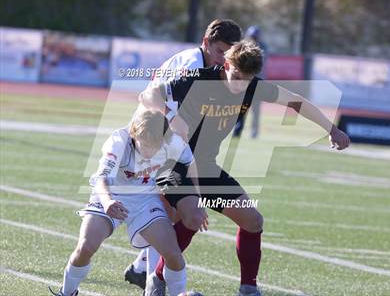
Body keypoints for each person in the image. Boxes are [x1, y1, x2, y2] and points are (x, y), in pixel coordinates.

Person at [140, 40, 351, 296]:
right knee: (193, 218)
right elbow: (149, 94)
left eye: (247, 80)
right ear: (226, 64)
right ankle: (158, 279)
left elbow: (296, 102)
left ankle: (248, 289)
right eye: (236, 76)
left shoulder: (253, 87)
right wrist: (169, 116)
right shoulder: (198, 78)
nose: (240, 85)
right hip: (174, 164)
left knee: (252, 219)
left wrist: (332, 129)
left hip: (205, 168)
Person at [125, 18, 242, 289]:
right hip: (155, 138)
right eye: (219, 51)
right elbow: (159, 101)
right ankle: (153, 279)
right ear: (205, 42)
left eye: (229, 53)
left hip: (162, 136)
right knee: (164, 212)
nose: (223, 59)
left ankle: (142, 268)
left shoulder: (201, 64)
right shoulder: (193, 66)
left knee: (173, 211)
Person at [48, 109, 200, 296]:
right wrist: (107, 202)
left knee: (174, 255)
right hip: (110, 194)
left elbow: (191, 165)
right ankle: (67, 292)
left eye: (155, 145)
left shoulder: (173, 142)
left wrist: (197, 199)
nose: (148, 151)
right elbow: (102, 179)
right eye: (143, 143)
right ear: (134, 133)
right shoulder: (119, 141)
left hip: (145, 199)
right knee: (85, 247)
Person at [233, 25, 266, 139]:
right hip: (245, 83)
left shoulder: (263, 48)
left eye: (255, 37)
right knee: (242, 108)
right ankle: (237, 131)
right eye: (253, 37)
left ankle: (254, 132)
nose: (254, 39)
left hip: (257, 84)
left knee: (256, 110)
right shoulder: (243, 47)